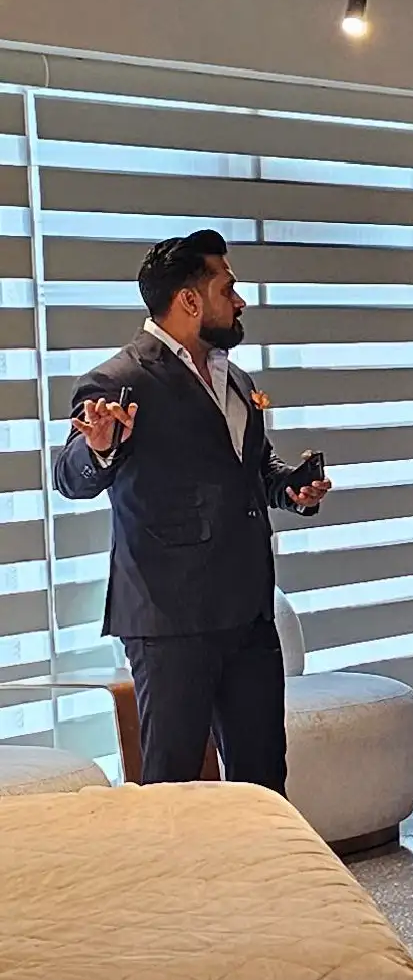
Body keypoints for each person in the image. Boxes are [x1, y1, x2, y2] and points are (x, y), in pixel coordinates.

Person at [52, 230, 331, 792]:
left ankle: (260, 882)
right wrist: (102, 447)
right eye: (228, 287)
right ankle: (171, 885)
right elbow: (70, 475)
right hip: (170, 622)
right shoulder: (119, 380)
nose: (241, 299)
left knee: (262, 785)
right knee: (173, 787)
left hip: (250, 615)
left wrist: (288, 488)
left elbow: (248, 469)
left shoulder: (237, 378)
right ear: (189, 300)